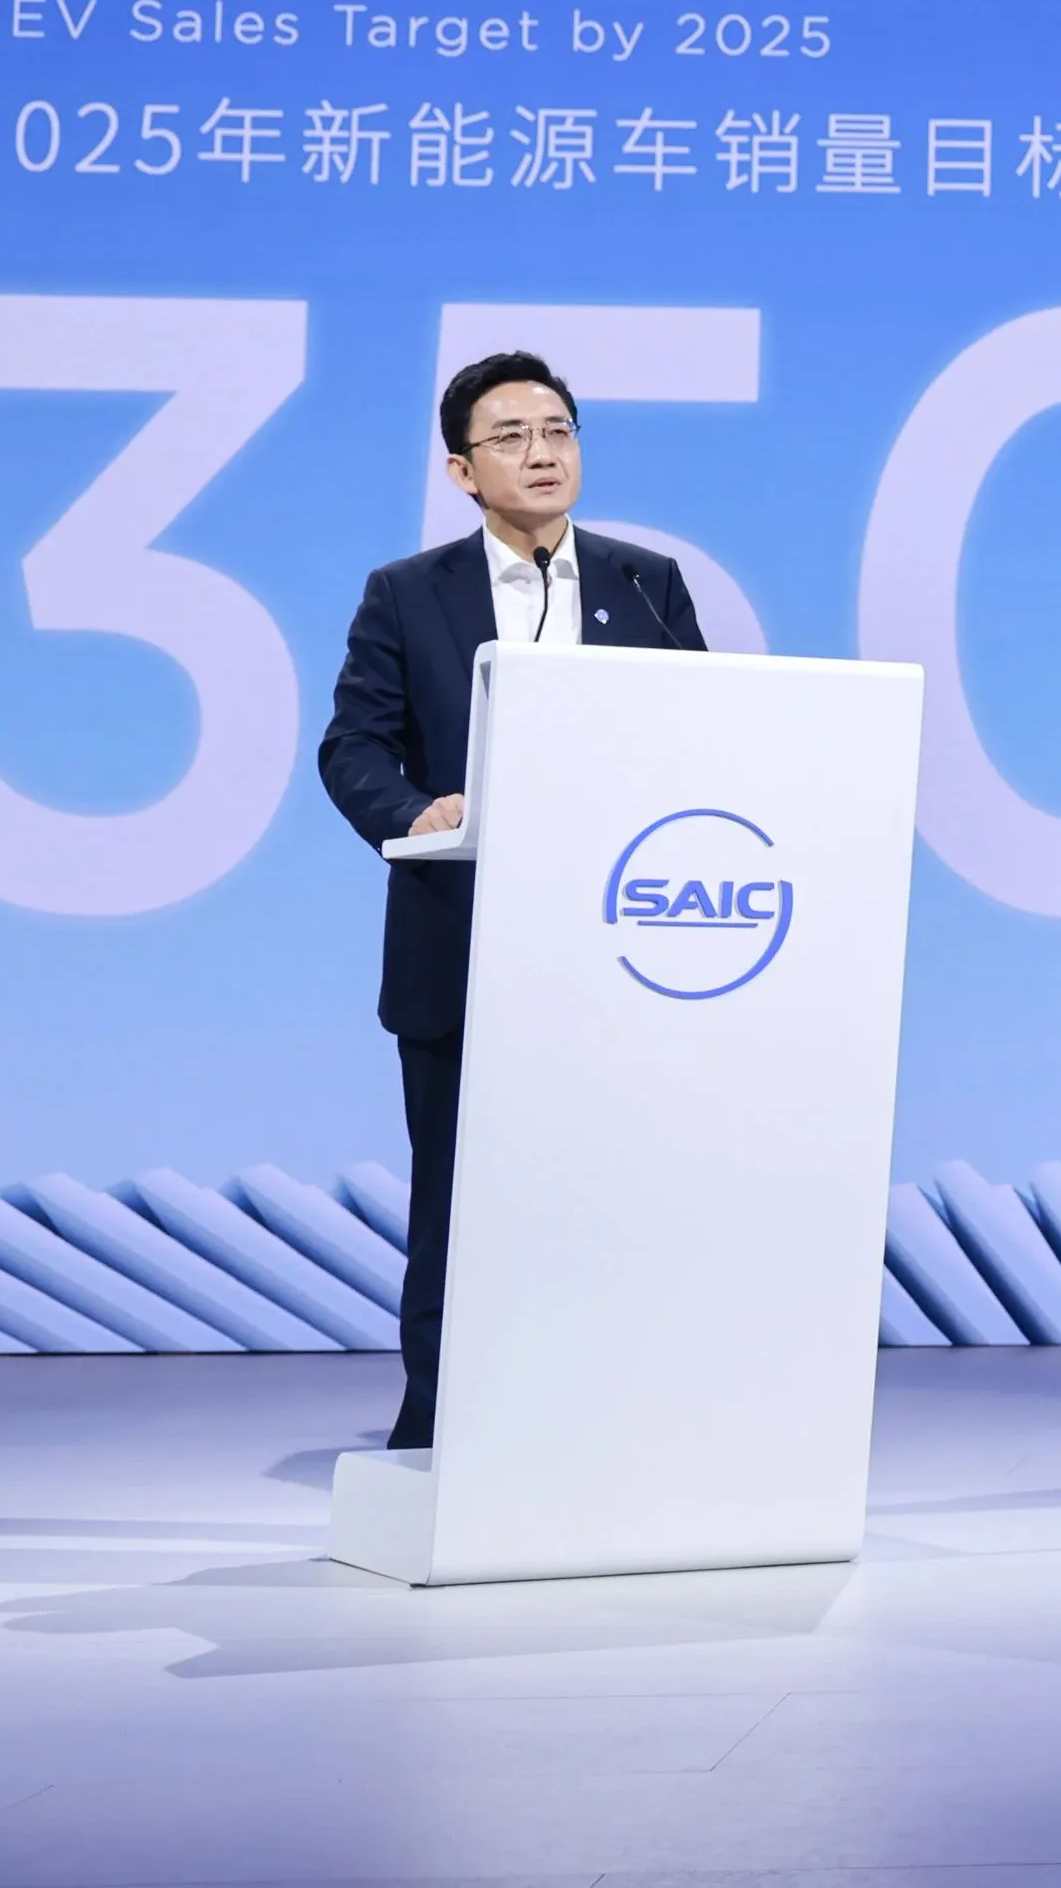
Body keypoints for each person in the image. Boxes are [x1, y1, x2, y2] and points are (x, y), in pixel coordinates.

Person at [316, 351, 705, 1448]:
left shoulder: (646, 582)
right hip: (464, 949)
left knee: (616, 1199)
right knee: (457, 1207)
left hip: (622, 955)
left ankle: (609, 1428)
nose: (542, 453)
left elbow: (703, 733)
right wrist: (416, 810)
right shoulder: (408, 593)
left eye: (559, 430)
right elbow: (353, 745)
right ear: (461, 470)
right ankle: (438, 1438)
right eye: (512, 437)